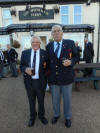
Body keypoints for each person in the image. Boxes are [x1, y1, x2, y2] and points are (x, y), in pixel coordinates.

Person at [46, 25, 78, 128]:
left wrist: (71, 61)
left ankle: (68, 117)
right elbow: (47, 62)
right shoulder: (49, 46)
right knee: (55, 99)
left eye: (58, 31)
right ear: (52, 34)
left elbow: (77, 56)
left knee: (67, 99)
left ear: (62, 32)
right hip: (54, 78)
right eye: (54, 31)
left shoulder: (70, 43)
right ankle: (56, 115)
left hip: (66, 77)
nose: (56, 33)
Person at [20, 35, 48, 127]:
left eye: (37, 42)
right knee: (31, 101)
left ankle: (41, 115)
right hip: (29, 82)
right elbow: (21, 65)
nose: (35, 44)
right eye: (33, 42)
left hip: (40, 82)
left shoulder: (45, 53)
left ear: (40, 43)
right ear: (31, 43)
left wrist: (46, 79)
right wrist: (25, 69)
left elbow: (48, 68)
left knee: (41, 101)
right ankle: (32, 116)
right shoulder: (25, 53)